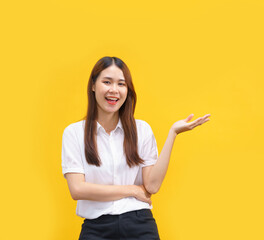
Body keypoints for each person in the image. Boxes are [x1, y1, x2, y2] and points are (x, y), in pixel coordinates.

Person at [61, 56, 211, 240]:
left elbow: (152, 186)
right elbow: (77, 190)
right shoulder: (74, 133)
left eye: (121, 84)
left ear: (127, 89)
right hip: (96, 227)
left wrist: (173, 133)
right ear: (93, 85)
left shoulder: (141, 130)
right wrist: (132, 190)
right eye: (107, 82)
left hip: (139, 223)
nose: (114, 90)